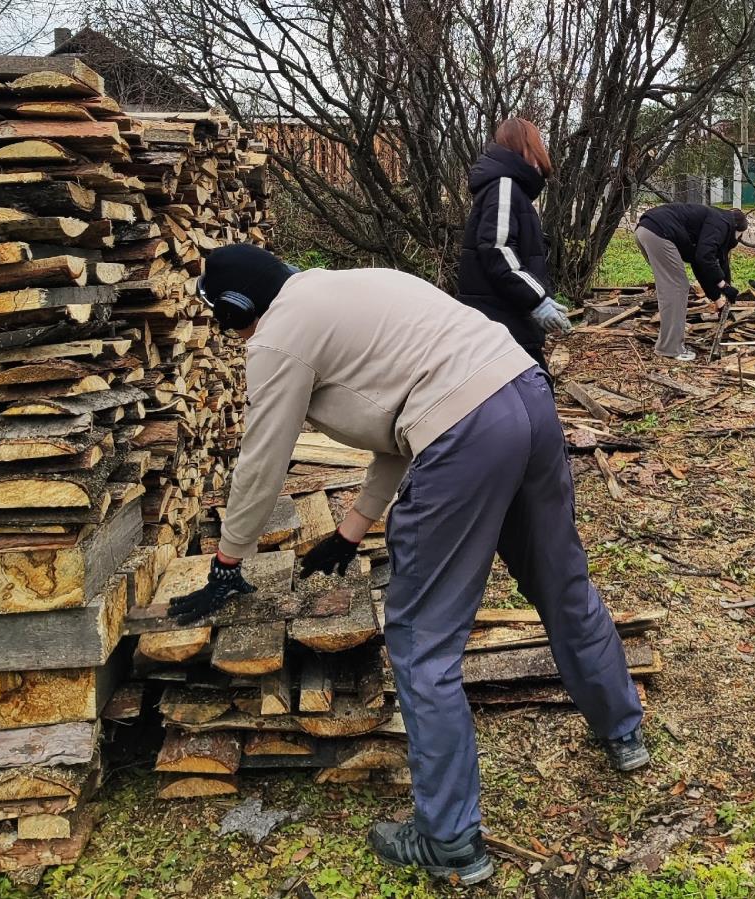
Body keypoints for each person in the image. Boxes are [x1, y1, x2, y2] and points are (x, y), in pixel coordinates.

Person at [169, 244, 647, 885]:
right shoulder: (356, 287)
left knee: (423, 641)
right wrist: (351, 528)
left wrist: (229, 557)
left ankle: (450, 840)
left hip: (468, 435)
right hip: (526, 396)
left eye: (234, 328)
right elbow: (407, 419)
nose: (239, 342)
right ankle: (623, 733)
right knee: (561, 584)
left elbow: (264, 456)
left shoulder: (278, 336)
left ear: (239, 310)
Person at [457, 117, 569, 372]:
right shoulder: (504, 185)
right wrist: (538, 300)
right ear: (525, 147)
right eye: (537, 144)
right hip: (502, 318)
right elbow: (498, 249)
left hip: (504, 317)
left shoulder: (508, 187)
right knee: (533, 393)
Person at [634, 203, 748, 361]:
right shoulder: (721, 223)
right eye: (740, 235)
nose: (738, 240)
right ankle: (670, 349)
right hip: (659, 233)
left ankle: (668, 345)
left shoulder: (715, 221)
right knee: (677, 286)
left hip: (646, 231)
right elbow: (705, 257)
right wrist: (724, 285)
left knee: (671, 287)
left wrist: (718, 299)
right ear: (738, 229)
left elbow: (701, 265)